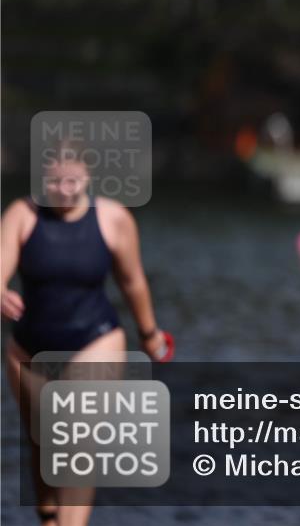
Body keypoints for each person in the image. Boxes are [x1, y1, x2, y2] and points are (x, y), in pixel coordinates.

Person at [1, 142, 167, 526]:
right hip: (28, 347)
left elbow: (133, 282)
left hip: (96, 339)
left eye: (73, 177)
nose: (65, 187)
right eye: (56, 179)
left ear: (89, 174)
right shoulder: (22, 214)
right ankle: (49, 519)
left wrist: (149, 334)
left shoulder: (113, 219)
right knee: (43, 443)